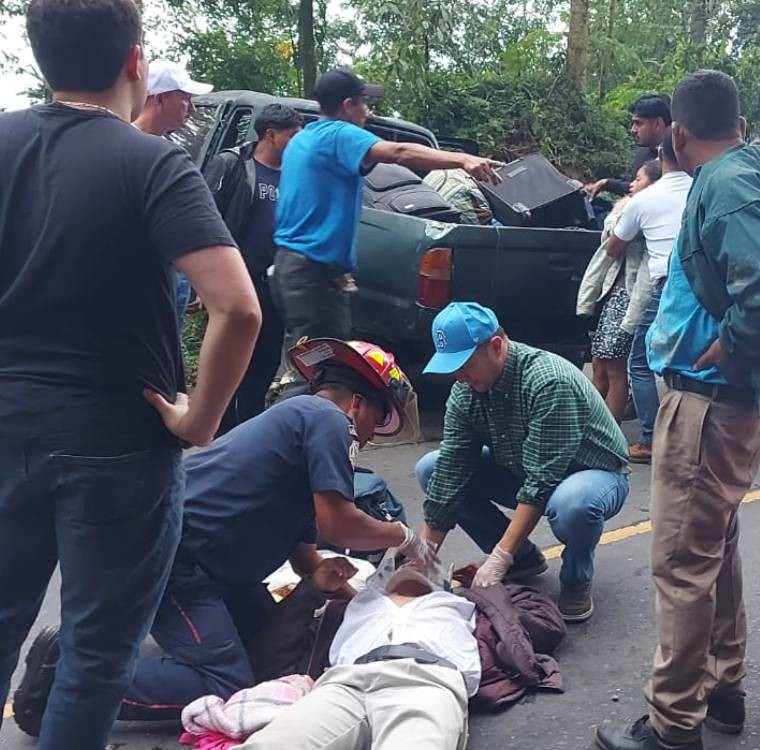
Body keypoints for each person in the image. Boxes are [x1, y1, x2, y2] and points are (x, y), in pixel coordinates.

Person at [0, 1, 261, 748]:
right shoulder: (149, 160)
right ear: (136, 63)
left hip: (7, 420)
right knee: (97, 647)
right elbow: (236, 309)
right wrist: (200, 420)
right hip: (118, 440)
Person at [13, 339, 438, 729]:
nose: (365, 438)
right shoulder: (326, 418)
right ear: (357, 405)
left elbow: (306, 554)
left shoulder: (300, 430)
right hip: (177, 558)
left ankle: (106, 660)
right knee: (225, 682)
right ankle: (67, 677)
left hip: (208, 565)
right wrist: (402, 536)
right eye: (374, 423)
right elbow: (340, 525)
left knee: (265, 651)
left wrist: (370, 609)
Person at [596, 69, 760, 750]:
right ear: (738, 123)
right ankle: (723, 694)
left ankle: (672, 724)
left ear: (679, 133)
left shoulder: (725, 183)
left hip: (707, 401)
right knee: (715, 550)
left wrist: (735, 345)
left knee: (683, 564)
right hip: (724, 402)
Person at [414, 302, 630, 622]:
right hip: (524, 466)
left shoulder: (547, 381)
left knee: (573, 505)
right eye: (453, 368)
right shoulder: (466, 393)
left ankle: (576, 579)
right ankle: (524, 561)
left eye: (466, 365)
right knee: (430, 469)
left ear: (497, 347)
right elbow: (450, 474)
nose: (460, 377)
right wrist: (421, 560)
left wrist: (499, 557)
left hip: (591, 474)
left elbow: (542, 481)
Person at [271, 67, 501, 360]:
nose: (368, 112)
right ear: (347, 106)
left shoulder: (303, 139)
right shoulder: (339, 134)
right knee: (321, 369)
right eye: (364, 103)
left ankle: (290, 401)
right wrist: (463, 159)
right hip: (312, 276)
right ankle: (296, 404)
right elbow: (400, 152)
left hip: (292, 269)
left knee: (307, 360)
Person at [233, 563, 479, 750]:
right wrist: (315, 589)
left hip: (426, 680)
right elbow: (275, 651)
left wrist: (469, 582)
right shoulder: (356, 605)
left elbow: (507, 607)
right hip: (346, 682)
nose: (415, 562)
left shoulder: (456, 604)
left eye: (427, 565)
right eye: (405, 562)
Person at [205, 104, 305, 432]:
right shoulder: (233, 165)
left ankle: (248, 434)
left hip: (275, 284)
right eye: (293, 135)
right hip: (236, 282)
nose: (299, 141)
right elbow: (206, 221)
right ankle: (220, 433)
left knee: (264, 364)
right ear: (271, 134)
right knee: (232, 361)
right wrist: (202, 280)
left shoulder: (295, 175)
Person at [607, 131, 694, 464]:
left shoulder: (644, 200)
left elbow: (614, 247)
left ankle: (651, 439)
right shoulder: (703, 191)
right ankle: (687, 434)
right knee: (686, 360)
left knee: (640, 363)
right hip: (701, 287)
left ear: (661, 155)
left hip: (664, 286)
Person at [577, 159, 662, 422]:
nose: (631, 185)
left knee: (613, 368)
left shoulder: (643, 210)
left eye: (638, 179)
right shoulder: (637, 208)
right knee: (600, 366)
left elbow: (612, 242)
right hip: (614, 293)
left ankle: (607, 431)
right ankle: (587, 424)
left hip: (627, 295)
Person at [132, 60, 215, 327]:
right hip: (140, 283)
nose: (191, 108)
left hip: (170, 274)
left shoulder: (167, 151)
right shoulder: (126, 150)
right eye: (185, 98)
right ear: (160, 98)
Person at [585, 94, 672, 198]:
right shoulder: (643, 154)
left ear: (658, 123)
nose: (633, 130)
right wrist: (607, 184)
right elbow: (635, 188)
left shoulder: (678, 156)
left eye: (638, 123)